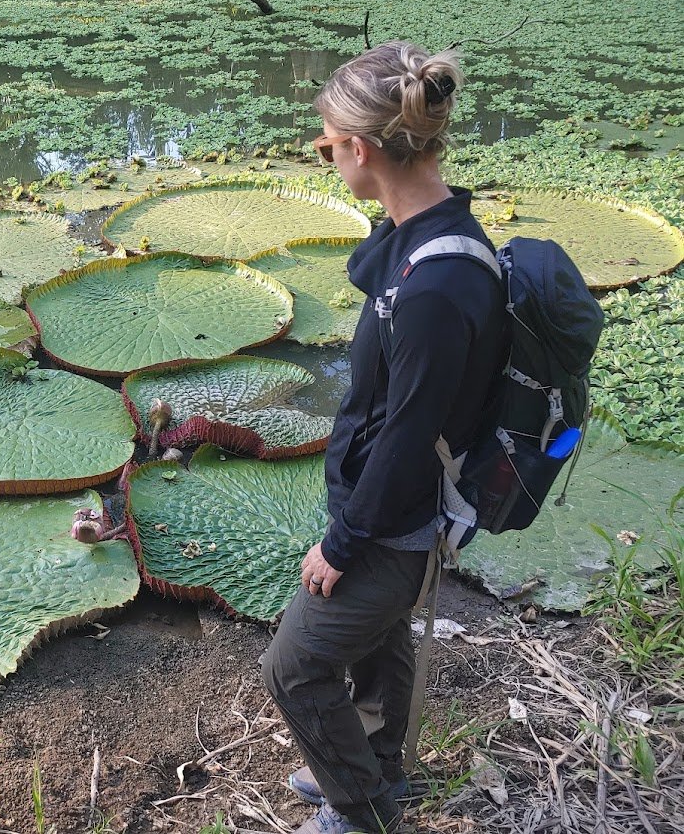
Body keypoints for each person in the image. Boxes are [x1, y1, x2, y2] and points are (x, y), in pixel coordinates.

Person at [260, 41, 508, 834]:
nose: (327, 157)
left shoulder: (438, 282)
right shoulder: (422, 233)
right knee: (380, 640)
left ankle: (361, 810)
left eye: (328, 145)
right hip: (389, 503)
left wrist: (343, 541)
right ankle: (377, 760)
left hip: (394, 517)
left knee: (295, 665)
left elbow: (407, 439)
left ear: (361, 149)